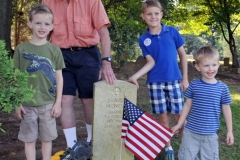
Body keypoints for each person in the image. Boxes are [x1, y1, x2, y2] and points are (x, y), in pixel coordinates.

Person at [41, 0, 116, 156]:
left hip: (88, 54)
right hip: (60, 55)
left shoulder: (93, 1)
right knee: (64, 100)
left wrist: (106, 61)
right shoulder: (48, 2)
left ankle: (91, 143)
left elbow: (103, 33)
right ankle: (72, 148)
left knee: (88, 100)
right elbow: (45, 32)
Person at [128, 0, 188, 159]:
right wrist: (135, 76)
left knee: (179, 116)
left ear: (161, 14)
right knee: (163, 116)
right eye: (149, 14)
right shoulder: (143, 39)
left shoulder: (172, 31)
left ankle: (186, 148)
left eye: (156, 13)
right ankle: (168, 148)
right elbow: (151, 62)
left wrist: (185, 79)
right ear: (143, 16)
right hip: (155, 83)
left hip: (175, 80)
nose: (153, 16)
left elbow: (182, 54)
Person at [13, 4, 65, 160]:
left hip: (48, 103)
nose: (42, 27)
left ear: (52, 27)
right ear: (30, 24)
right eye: (38, 23)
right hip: (27, 104)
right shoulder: (21, 49)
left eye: (47, 24)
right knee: (29, 139)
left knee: (47, 138)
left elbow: (59, 77)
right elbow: (16, 77)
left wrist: (58, 103)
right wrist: (17, 102)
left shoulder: (54, 50)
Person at [172, 45, 234, 160]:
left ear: (218, 65)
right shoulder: (194, 85)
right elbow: (187, 105)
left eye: (214, 65)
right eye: (206, 66)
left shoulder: (222, 88)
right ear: (198, 67)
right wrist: (180, 124)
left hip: (210, 135)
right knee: (186, 157)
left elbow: (226, 109)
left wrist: (230, 131)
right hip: (191, 133)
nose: (211, 69)